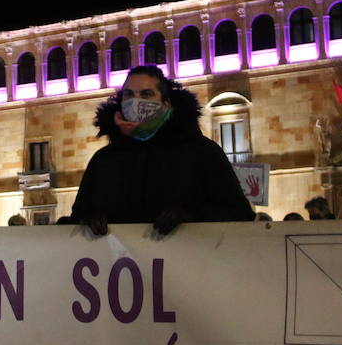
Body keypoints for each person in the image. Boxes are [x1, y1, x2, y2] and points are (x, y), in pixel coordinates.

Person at [72, 66, 254, 236]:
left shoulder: (202, 153)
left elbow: (239, 213)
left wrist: (191, 215)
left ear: (165, 103)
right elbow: (76, 218)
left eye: (146, 94)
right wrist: (87, 219)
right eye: (129, 94)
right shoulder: (104, 160)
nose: (136, 101)